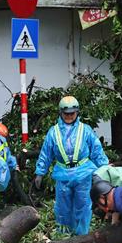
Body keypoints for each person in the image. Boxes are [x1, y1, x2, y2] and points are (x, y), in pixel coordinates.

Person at [33, 96, 108, 235]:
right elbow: (46, 153)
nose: (69, 116)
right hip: (63, 174)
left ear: (77, 112)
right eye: (66, 113)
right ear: (60, 113)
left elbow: (97, 150)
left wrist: (105, 169)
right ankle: (63, 238)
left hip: (83, 173)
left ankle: (81, 237)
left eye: (72, 113)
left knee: (83, 205)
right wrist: (40, 172)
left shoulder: (85, 130)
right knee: (63, 208)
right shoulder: (53, 132)